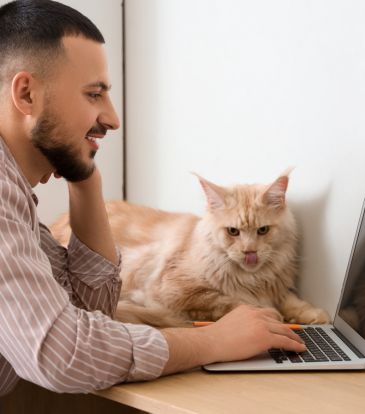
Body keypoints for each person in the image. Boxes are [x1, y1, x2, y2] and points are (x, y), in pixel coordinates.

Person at [0, 0, 306, 396]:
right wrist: (213, 342)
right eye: (94, 95)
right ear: (26, 94)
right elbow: (64, 354)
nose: (113, 118)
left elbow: (90, 309)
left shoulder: (15, 198)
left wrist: (86, 180)